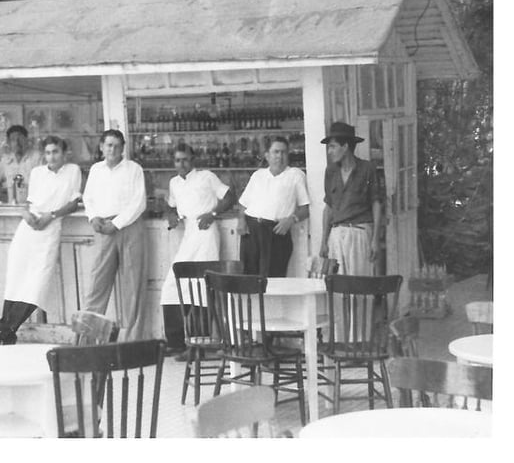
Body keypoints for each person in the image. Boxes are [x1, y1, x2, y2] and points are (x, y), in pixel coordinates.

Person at [0, 136, 82, 344]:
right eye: (48, 153)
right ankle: (5, 333)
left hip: (50, 228)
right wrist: (26, 215)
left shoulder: (72, 171)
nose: (52, 157)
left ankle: (4, 331)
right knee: (15, 281)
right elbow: (29, 203)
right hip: (27, 230)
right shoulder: (37, 173)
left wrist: (50, 216)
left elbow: (73, 204)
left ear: (64, 152)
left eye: (56, 152)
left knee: (36, 285)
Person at [162, 144, 236, 355]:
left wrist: (212, 214)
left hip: (206, 234)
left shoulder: (206, 177)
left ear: (192, 159)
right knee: (171, 287)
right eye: (177, 160)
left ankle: (200, 346)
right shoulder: (174, 183)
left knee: (201, 288)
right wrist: (171, 216)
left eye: (185, 159)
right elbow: (171, 205)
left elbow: (230, 196)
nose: (181, 164)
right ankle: (176, 343)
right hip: (187, 236)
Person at [81, 129, 148, 341]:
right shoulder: (96, 169)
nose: (113, 149)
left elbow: (139, 202)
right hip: (103, 228)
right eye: (109, 145)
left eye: (117, 146)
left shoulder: (134, 169)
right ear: (101, 146)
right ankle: (87, 339)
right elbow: (88, 198)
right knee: (97, 285)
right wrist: (93, 217)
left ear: (123, 148)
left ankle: (131, 341)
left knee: (132, 285)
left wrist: (117, 224)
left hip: (128, 227)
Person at [237, 136, 310, 277]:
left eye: (283, 152)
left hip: (276, 232)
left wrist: (291, 219)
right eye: (276, 152)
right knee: (248, 276)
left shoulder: (295, 175)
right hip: (251, 232)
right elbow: (242, 204)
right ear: (267, 156)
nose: (280, 156)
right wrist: (241, 221)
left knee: (273, 279)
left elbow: (305, 209)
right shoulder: (258, 175)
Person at [318, 122, 384, 276]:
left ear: (345, 146)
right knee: (337, 287)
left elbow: (376, 204)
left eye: (333, 146)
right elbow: (328, 207)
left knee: (360, 284)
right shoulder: (331, 171)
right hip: (336, 235)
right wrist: (324, 241)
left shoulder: (367, 169)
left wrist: (375, 240)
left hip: (360, 233)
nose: (329, 151)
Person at [0, 125, 42, 203]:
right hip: (12, 207)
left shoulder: (37, 158)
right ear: (8, 143)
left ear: (26, 140)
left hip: (33, 208)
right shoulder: (6, 161)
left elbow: (46, 184)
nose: (17, 143)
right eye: (13, 140)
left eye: (20, 139)